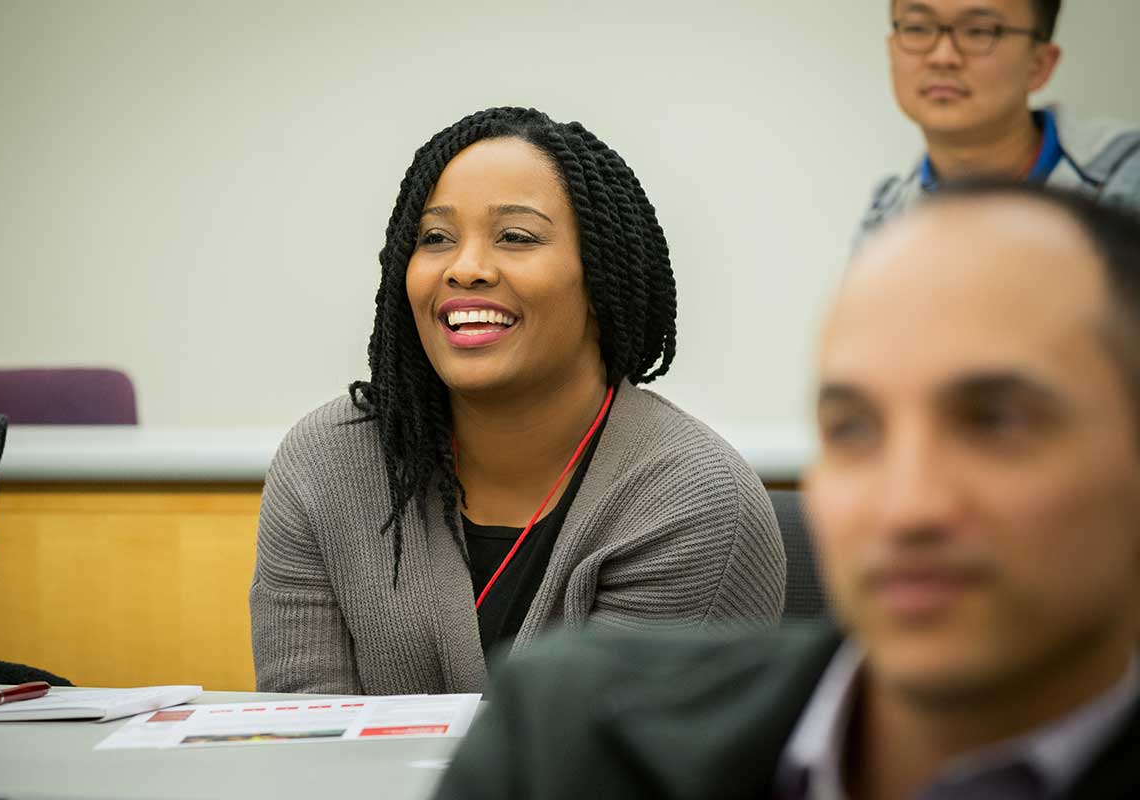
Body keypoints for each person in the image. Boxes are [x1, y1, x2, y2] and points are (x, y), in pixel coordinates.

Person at [433, 182, 1140, 799]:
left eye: (996, 423)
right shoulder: (569, 737)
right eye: (854, 430)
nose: (907, 508)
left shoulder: (675, 483)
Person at [249, 107, 786, 695]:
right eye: (435, 239)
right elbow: (304, 743)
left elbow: (602, 770)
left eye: (516, 237)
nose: (466, 268)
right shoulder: (327, 463)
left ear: (600, 275)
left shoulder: (691, 499)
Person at [858, 0, 1140, 238]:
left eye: (979, 32)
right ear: (891, 47)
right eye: (917, 28)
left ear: (1040, 64)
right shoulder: (888, 217)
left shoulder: (1124, 175)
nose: (942, 57)